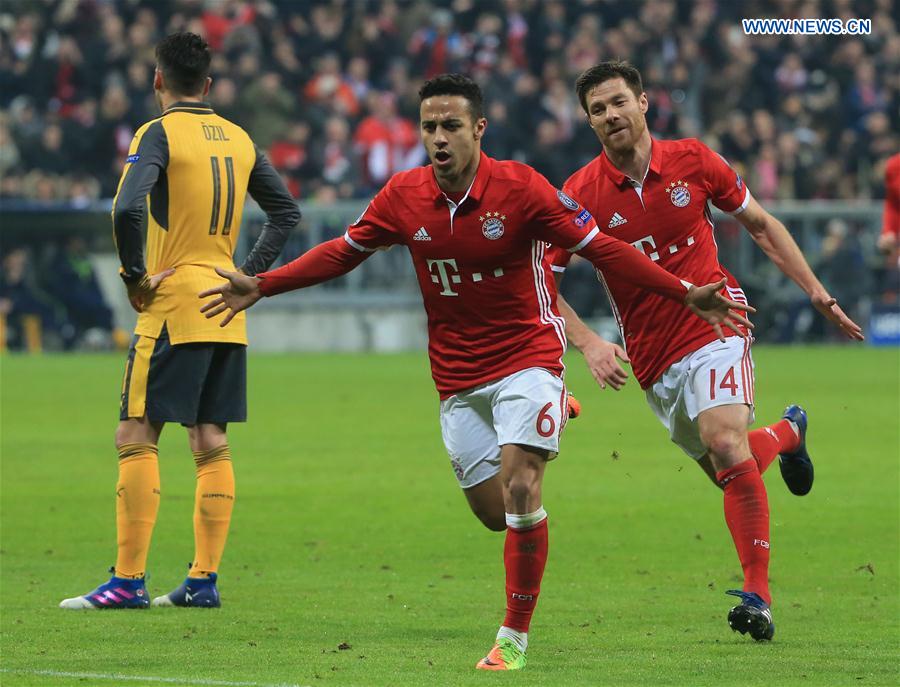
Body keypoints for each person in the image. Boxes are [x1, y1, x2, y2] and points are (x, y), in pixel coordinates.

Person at [199, 73, 752, 670]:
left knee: (521, 488)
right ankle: (552, 417)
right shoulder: (402, 197)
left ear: (478, 130)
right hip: (459, 378)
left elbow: (603, 249)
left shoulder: (522, 189)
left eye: (451, 126)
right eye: (429, 127)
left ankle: (512, 639)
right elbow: (342, 251)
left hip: (528, 358)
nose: (439, 138)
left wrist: (682, 291)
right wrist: (266, 284)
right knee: (494, 514)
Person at [547, 61, 864, 641]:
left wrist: (816, 291)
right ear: (589, 122)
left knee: (723, 441)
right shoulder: (578, 194)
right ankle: (789, 434)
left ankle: (759, 597)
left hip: (718, 324)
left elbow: (763, 226)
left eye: (619, 102)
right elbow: (541, 280)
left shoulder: (693, 160)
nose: (611, 115)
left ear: (644, 103)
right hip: (653, 358)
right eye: (598, 109)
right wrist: (588, 341)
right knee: (731, 465)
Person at [59, 32, 299, 610]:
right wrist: (249, 273)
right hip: (227, 305)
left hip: (174, 304)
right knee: (210, 440)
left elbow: (125, 206)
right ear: (209, 84)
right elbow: (286, 212)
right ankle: (202, 581)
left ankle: (127, 581)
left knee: (136, 433)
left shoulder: (158, 133)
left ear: (157, 79)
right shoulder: (240, 138)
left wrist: (135, 277)